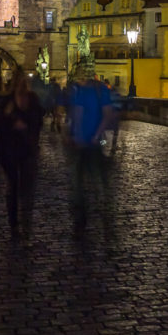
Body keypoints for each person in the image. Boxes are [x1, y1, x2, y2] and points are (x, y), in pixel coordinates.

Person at [0, 70, 43, 240]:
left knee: (27, 191)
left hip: (27, 150)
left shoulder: (33, 100)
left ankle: (26, 225)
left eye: (24, 83)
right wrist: (9, 118)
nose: (22, 85)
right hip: (9, 151)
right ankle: (14, 224)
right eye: (19, 82)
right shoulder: (6, 101)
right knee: (13, 188)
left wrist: (26, 126)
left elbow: (38, 122)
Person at [65, 71, 115, 236]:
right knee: (81, 182)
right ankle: (84, 216)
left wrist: (94, 136)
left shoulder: (98, 90)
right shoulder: (80, 90)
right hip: (83, 143)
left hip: (94, 142)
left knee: (93, 178)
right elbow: (75, 115)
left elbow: (106, 116)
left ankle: (100, 211)